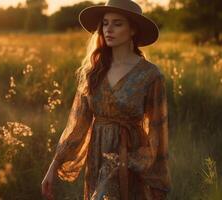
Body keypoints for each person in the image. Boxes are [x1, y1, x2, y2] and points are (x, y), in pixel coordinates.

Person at [41, 0, 171, 200]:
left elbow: (157, 133)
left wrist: (156, 183)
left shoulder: (150, 75)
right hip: (98, 155)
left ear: (133, 29)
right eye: (105, 23)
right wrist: (53, 166)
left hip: (130, 157)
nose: (108, 29)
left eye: (117, 24)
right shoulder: (93, 71)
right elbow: (78, 125)